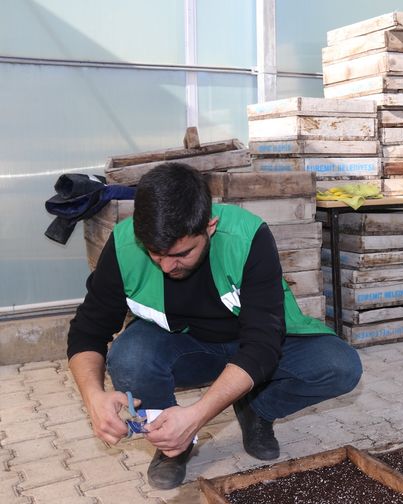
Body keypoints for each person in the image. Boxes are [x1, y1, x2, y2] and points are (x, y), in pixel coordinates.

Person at [66, 163, 362, 489]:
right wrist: (92, 397)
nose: (165, 266)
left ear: (210, 226)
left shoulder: (248, 237)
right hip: (187, 348)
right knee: (129, 356)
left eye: (180, 254)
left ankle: (256, 408)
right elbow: (87, 331)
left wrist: (197, 415)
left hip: (253, 346)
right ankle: (173, 445)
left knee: (340, 366)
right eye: (154, 253)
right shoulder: (124, 246)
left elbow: (262, 343)